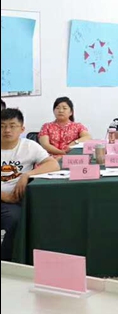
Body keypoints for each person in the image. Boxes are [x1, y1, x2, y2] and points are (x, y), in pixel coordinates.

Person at [1, 108, 60, 261]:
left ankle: (10, 262)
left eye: (12, 125)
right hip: (6, 199)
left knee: (20, 220)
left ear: (22, 129)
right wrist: (4, 196)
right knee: (15, 219)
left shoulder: (29, 146)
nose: (7, 130)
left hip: (15, 201)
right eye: (2, 126)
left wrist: (27, 175)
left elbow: (53, 165)